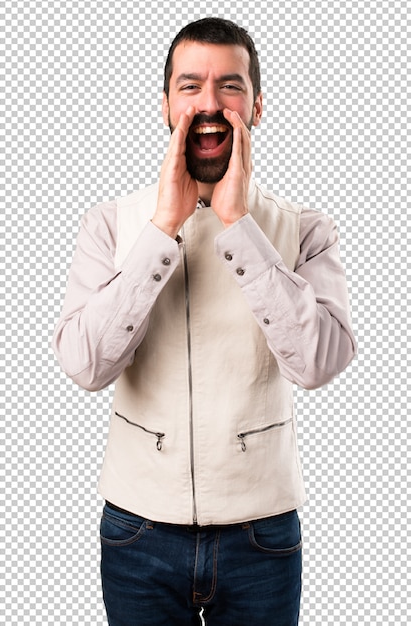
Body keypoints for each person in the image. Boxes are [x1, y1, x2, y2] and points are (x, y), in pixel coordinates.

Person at [52, 17, 357, 626]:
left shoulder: (306, 229)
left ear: (258, 105)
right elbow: (85, 366)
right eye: (190, 86)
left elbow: (319, 363)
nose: (210, 104)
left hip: (262, 537)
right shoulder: (110, 225)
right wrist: (161, 228)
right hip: (137, 533)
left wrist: (239, 225)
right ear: (165, 104)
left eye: (231, 87)